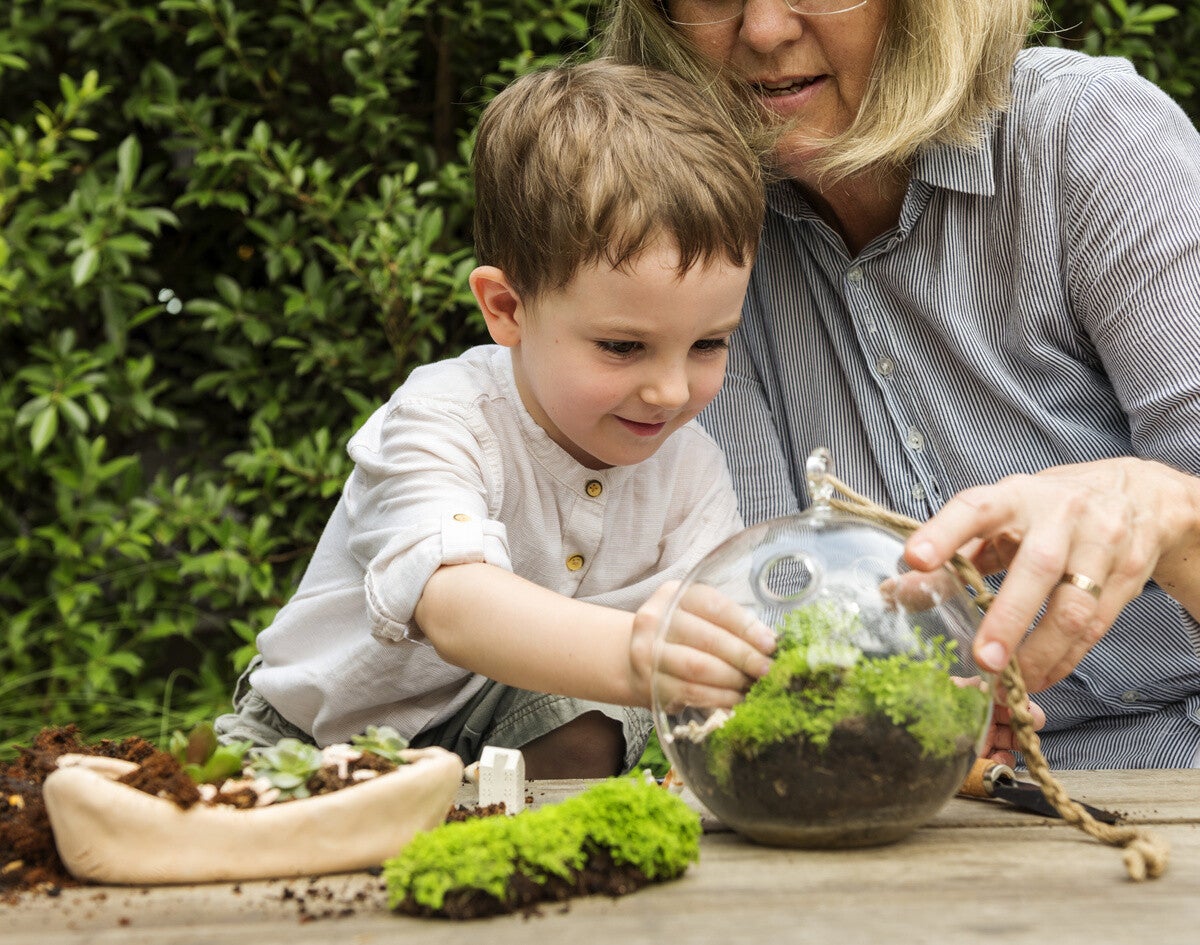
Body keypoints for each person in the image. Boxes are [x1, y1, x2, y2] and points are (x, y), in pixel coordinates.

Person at [598, 0, 1200, 768]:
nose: (763, 31)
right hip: (904, 797)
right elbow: (739, 609)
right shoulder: (687, 237)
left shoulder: (1088, 141)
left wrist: (1169, 513)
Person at [213, 59, 775, 779]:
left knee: (599, 714)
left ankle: (536, 858)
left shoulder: (690, 468)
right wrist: (639, 651)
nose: (669, 391)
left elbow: (718, 635)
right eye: (622, 346)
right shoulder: (444, 416)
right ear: (507, 308)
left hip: (497, 743)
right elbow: (452, 604)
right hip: (317, 744)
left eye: (708, 344)